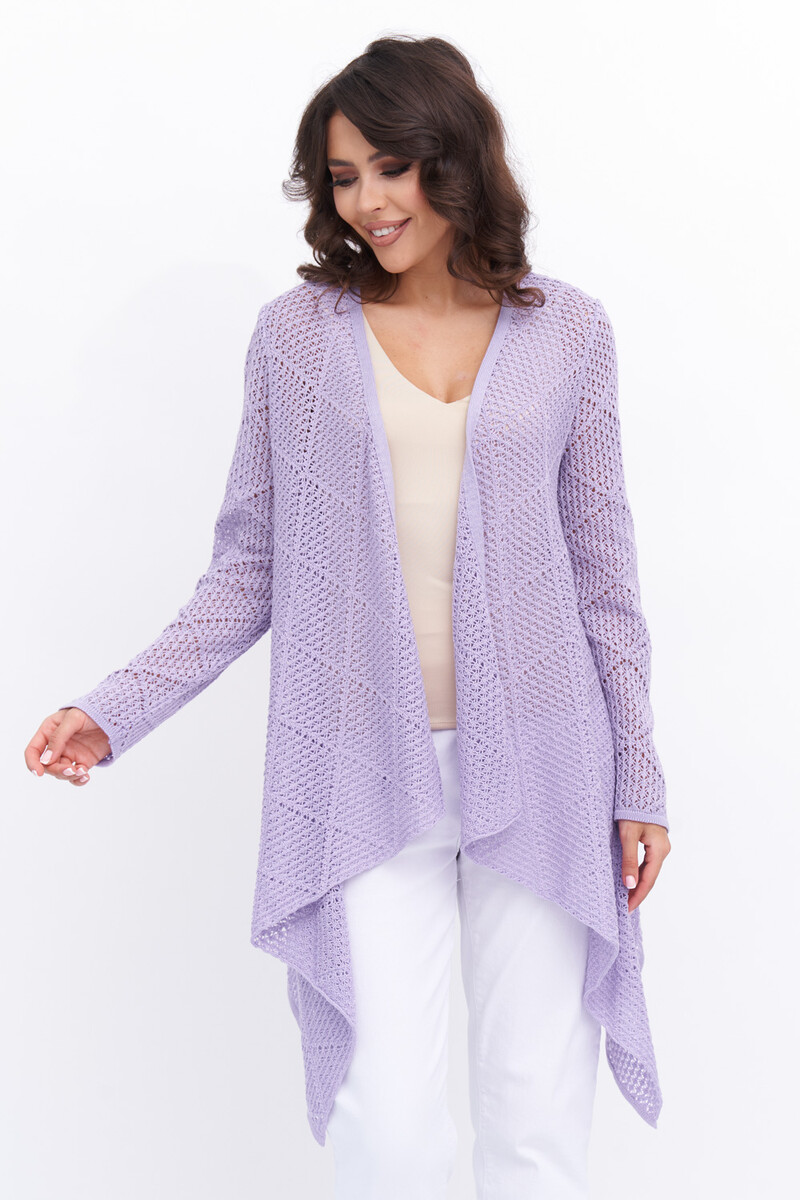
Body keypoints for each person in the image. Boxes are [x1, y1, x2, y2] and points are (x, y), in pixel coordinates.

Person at [24, 33, 671, 1200]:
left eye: (391, 166)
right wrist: (112, 710)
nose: (368, 201)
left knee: (535, 1123)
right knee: (391, 1131)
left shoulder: (568, 333)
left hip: (547, 765)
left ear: (454, 157)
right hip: (359, 769)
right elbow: (249, 566)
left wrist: (637, 778)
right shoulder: (296, 339)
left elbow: (604, 578)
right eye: (342, 176)